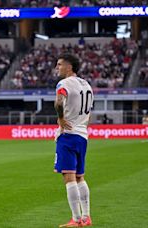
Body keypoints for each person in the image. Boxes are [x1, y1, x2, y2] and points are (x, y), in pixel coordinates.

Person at [54, 53, 94, 227]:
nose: (57, 68)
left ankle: (76, 220)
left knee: (69, 177)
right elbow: (89, 112)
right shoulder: (87, 85)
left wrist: (61, 118)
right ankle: (87, 217)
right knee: (80, 177)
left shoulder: (64, 83)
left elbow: (58, 102)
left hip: (68, 135)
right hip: (82, 135)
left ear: (69, 67)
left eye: (60, 64)